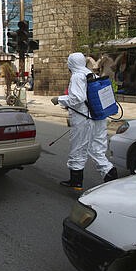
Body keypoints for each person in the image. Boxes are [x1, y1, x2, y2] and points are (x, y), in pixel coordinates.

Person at [51, 52, 118, 190]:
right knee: (97, 149)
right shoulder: (92, 74)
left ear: (71, 63)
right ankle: (110, 175)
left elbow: (77, 98)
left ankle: (76, 181)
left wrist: (59, 99)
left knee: (78, 148)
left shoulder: (77, 76)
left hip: (83, 119)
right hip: (98, 117)